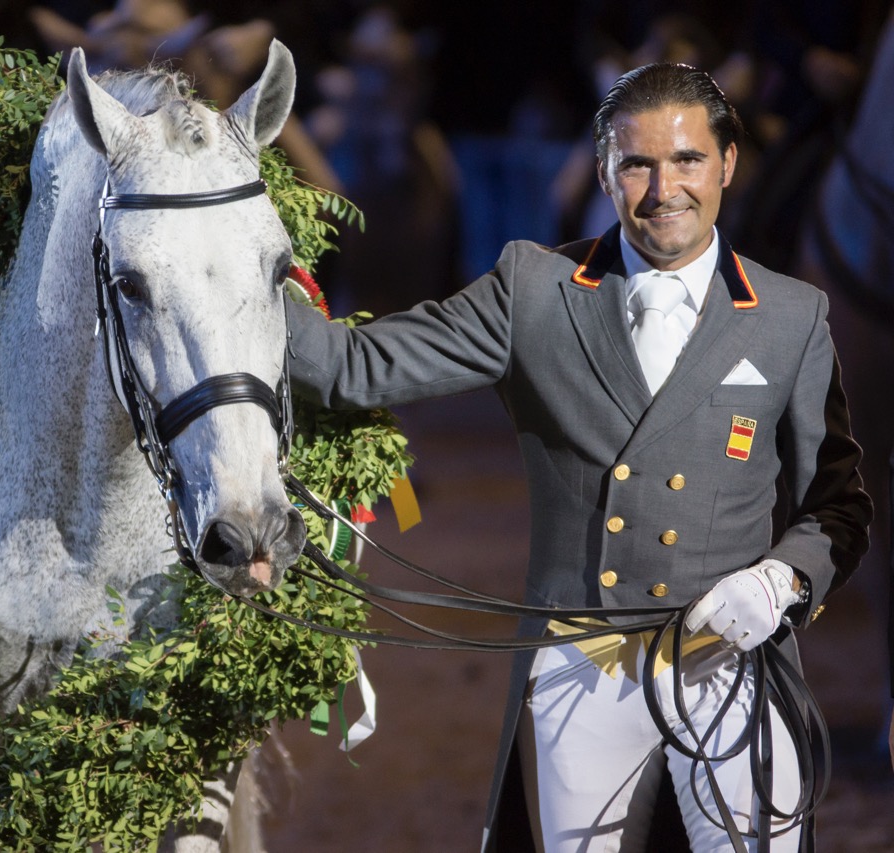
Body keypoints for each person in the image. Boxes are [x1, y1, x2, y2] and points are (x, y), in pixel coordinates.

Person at [284, 63, 872, 851]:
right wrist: (236, 263)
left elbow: (837, 505)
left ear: (727, 164)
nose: (665, 188)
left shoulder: (794, 316)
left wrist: (783, 578)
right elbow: (351, 367)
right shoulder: (532, 287)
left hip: (732, 666)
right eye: (637, 164)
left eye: (689, 160)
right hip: (579, 671)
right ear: (603, 171)